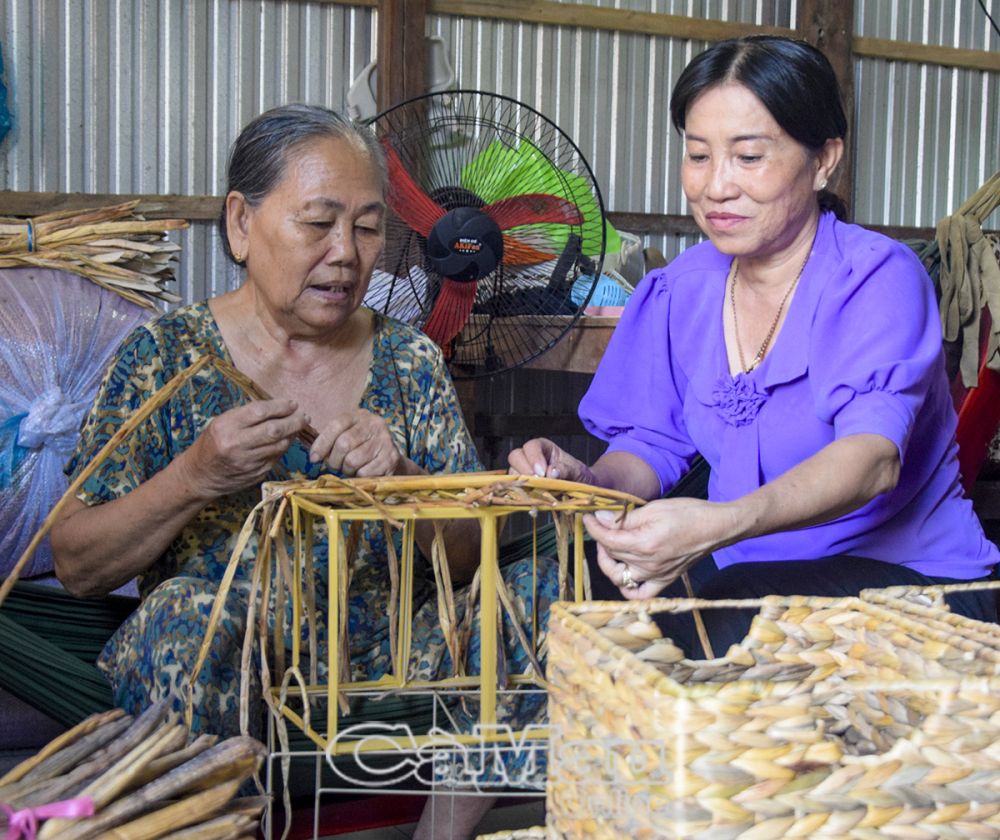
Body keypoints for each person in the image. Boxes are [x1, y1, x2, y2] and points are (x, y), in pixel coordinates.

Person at [51, 104, 553, 840]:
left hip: (386, 660)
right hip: (232, 658)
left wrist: (401, 479)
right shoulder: (166, 358)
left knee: (540, 587)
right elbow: (76, 563)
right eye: (318, 223)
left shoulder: (409, 361)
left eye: (368, 227)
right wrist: (193, 475)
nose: (347, 253)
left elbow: (472, 556)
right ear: (241, 224)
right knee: (188, 616)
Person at [509, 35, 999, 652]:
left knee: (719, 621)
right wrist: (582, 478)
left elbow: (874, 459)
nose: (715, 187)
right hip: (745, 571)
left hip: (918, 583)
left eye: (747, 157)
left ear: (824, 160)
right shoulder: (679, 293)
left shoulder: (877, 278)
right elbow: (652, 447)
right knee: (579, 595)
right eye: (697, 155)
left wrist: (721, 524)